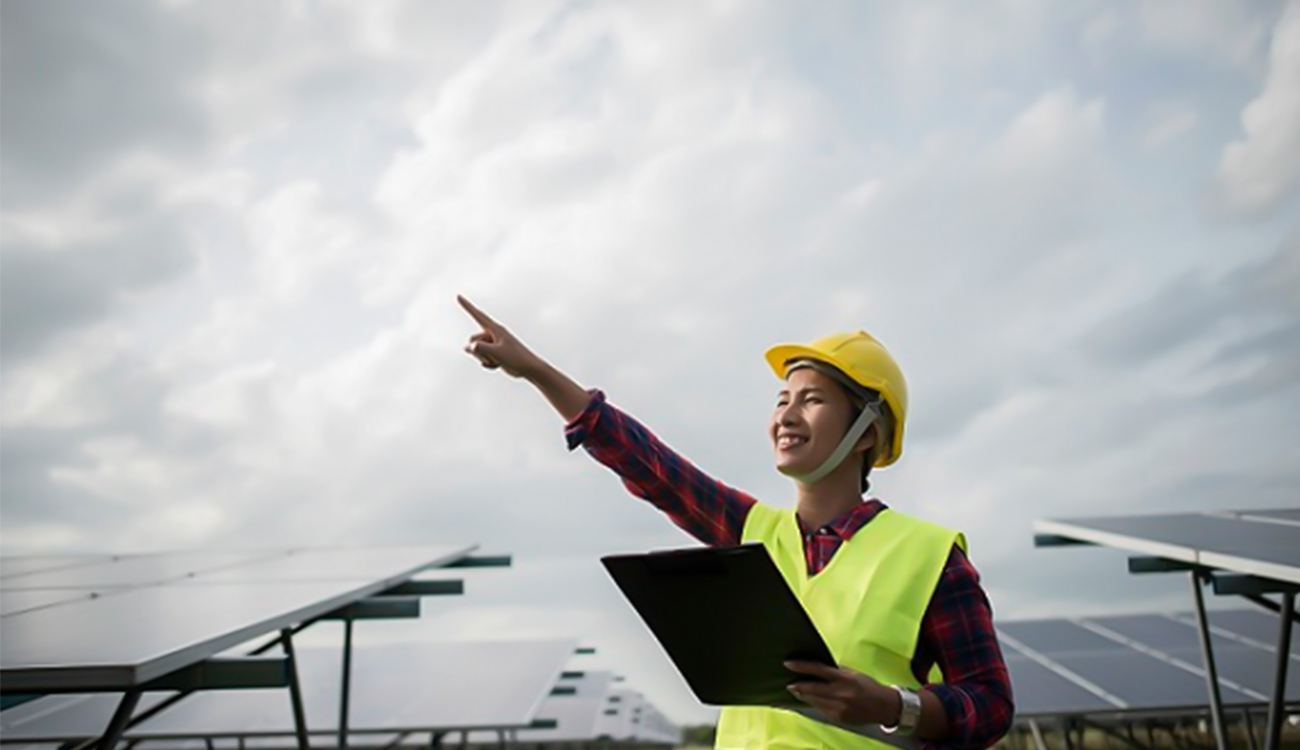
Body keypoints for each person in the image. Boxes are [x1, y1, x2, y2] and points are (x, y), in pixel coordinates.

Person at [458, 295, 1014, 750]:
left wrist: (895, 707)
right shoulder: (753, 533)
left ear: (867, 432)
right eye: (782, 399)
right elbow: (651, 466)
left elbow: (991, 705)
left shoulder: (930, 556)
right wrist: (532, 370)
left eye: (812, 400)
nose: (787, 415)